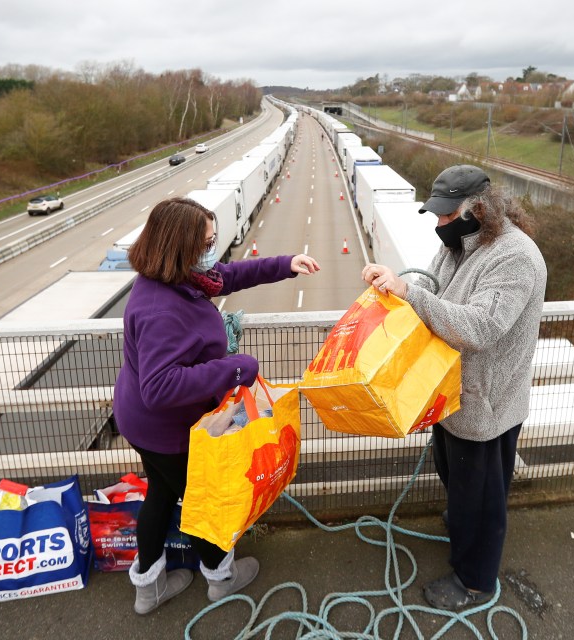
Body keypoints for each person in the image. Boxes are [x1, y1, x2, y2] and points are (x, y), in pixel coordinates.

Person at [113, 197, 321, 615]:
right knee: (202, 504)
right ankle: (220, 579)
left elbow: (226, 276)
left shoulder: (177, 278)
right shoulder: (161, 309)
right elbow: (160, 386)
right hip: (168, 431)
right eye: (206, 242)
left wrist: (285, 264)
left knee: (160, 496)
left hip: (145, 424)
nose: (214, 249)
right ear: (180, 247)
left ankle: (148, 588)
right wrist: (232, 369)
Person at [361, 165, 546, 611]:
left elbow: (481, 327)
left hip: (486, 405)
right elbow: (430, 284)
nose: (440, 224)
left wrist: (411, 294)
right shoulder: (461, 244)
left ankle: (475, 580)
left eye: (447, 215)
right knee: (458, 480)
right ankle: (464, 523)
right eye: (438, 215)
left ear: (478, 209)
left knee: (482, 499)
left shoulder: (514, 257)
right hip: (452, 395)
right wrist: (395, 290)